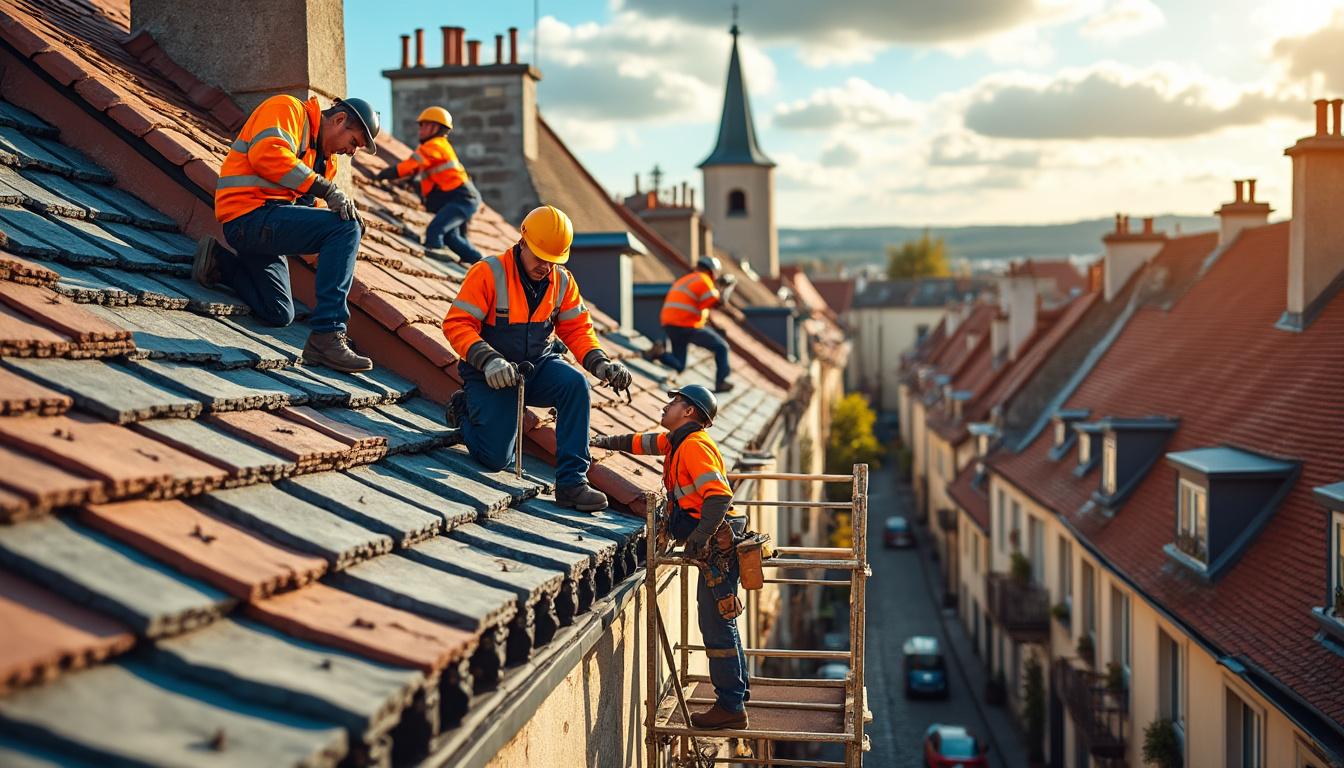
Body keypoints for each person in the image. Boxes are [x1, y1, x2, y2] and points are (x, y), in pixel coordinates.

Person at [442, 205, 632, 512]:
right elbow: (457, 324)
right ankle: (464, 409)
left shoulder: (563, 283)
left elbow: (578, 330)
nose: (545, 266)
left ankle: (572, 483)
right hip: (491, 374)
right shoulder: (489, 273)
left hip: (537, 367)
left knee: (575, 385)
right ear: (523, 242)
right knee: (495, 459)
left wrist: (602, 364)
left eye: (553, 260)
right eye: (540, 257)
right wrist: (489, 360)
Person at [590, 384, 750, 729]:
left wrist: (700, 536)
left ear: (689, 412)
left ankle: (731, 707)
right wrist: (604, 443)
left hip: (718, 544)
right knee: (722, 618)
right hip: (715, 541)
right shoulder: (677, 441)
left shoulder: (693, 447)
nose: (666, 406)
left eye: (673, 402)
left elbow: (719, 496)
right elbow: (642, 442)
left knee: (716, 622)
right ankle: (737, 695)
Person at [193, 95, 380, 372]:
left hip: (265, 233)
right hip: (247, 218)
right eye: (354, 143)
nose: (352, 152)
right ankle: (328, 334)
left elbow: (308, 210)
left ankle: (219, 263)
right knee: (344, 228)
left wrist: (339, 218)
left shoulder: (326, 161)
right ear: (340, 120)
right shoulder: (288, 109)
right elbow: (267, 154)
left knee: (279, 312)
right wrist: (335, 207)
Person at [375, 106, 484, 264]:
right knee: (451, 238)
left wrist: (385, 174)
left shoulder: (434, 146)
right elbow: (422, 173)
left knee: (434, 233)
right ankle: (477, 262)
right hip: (461, 198)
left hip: (462, 198)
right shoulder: (438, 147)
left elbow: (409, 166)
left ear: (435, 127)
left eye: (424, 125)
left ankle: (438, 253)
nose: (420, 129)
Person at [646, 255, 737, 392]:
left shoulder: (685, 279)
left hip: (671, 325)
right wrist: (726, 291)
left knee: (680, 365)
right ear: (712, 271)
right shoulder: (704, 280)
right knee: (721, 347)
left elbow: (702, 308)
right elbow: (717, 303)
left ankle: (659, 353)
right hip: (686, 325)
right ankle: (721, 382)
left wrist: (715, 327)